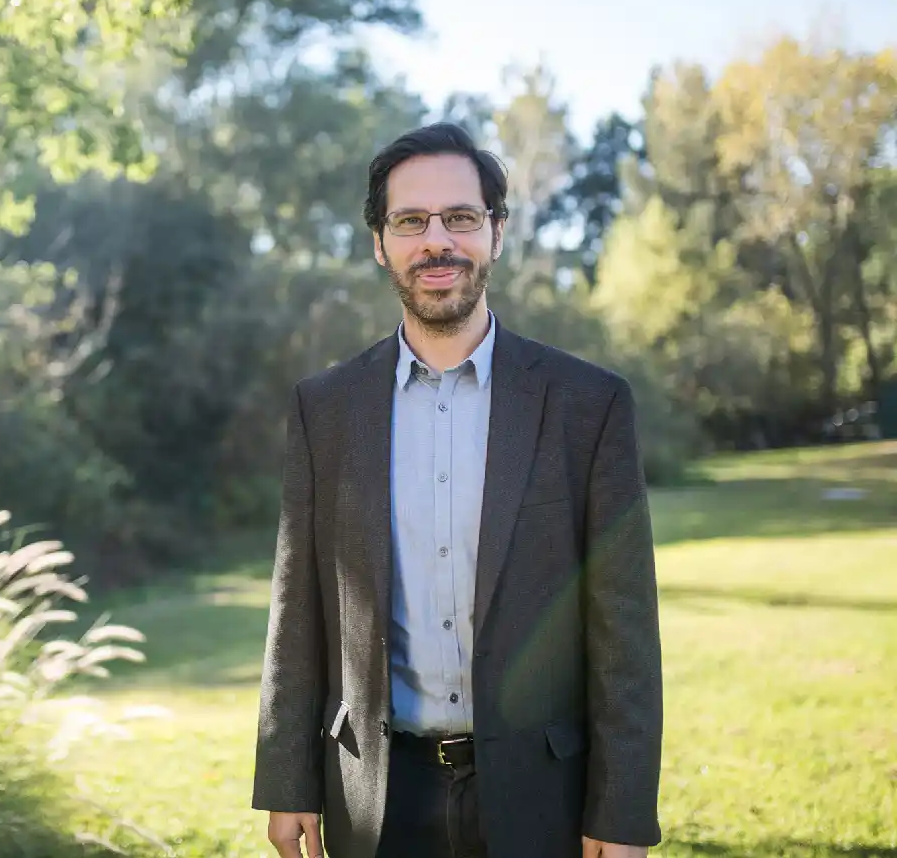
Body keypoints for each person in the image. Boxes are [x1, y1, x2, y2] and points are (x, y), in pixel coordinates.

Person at [251, 122, 663, 858]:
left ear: (496, 233)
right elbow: (298, 608)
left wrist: (623, 810)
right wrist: (287, 784)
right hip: (373, 795)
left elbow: (623, 629)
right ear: (380, 241)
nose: (437, 241)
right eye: (411, 221)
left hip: (544, 798)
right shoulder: (326, 409)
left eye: (461, 218)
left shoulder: (587, 405)